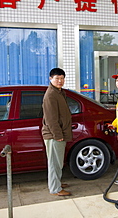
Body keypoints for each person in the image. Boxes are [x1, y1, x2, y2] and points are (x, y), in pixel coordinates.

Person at [42, 68, 73, 196]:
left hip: (60, 133)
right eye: (57, 78)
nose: (60, 81)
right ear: (51, 79)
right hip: (54, 135)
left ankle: (57, 182)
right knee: (54, 163)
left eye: (62, 78)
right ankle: (55, 189)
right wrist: (58, 135)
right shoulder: (51, 95)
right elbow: (51, 119)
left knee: (58, 161)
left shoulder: (59, 92)